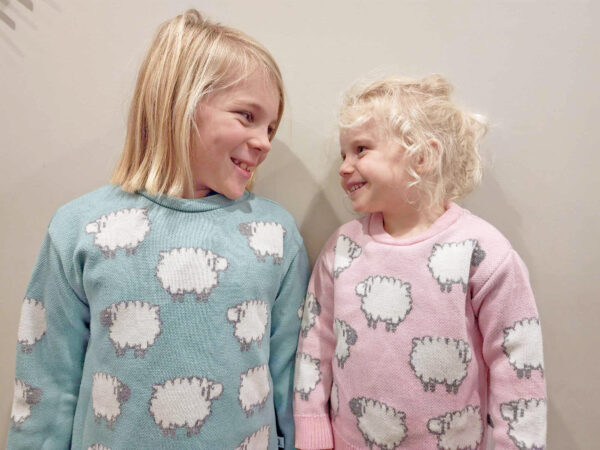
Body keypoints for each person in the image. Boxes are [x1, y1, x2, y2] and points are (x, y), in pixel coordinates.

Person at [8, 9, 308, 449]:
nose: (264, 141)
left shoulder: (275, 236)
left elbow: (291, 383)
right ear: (183, 102)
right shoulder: (80, 229)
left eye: (271, 127)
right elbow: (46, 386)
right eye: (247, 116)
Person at [293, 75, 546, 449]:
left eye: (361, 149)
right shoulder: (343, 248)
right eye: (344, 154)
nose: (344, 167)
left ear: (422, 156)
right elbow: (316, 345)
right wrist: (312, 433)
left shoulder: (483, 252)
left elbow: (517, 366)